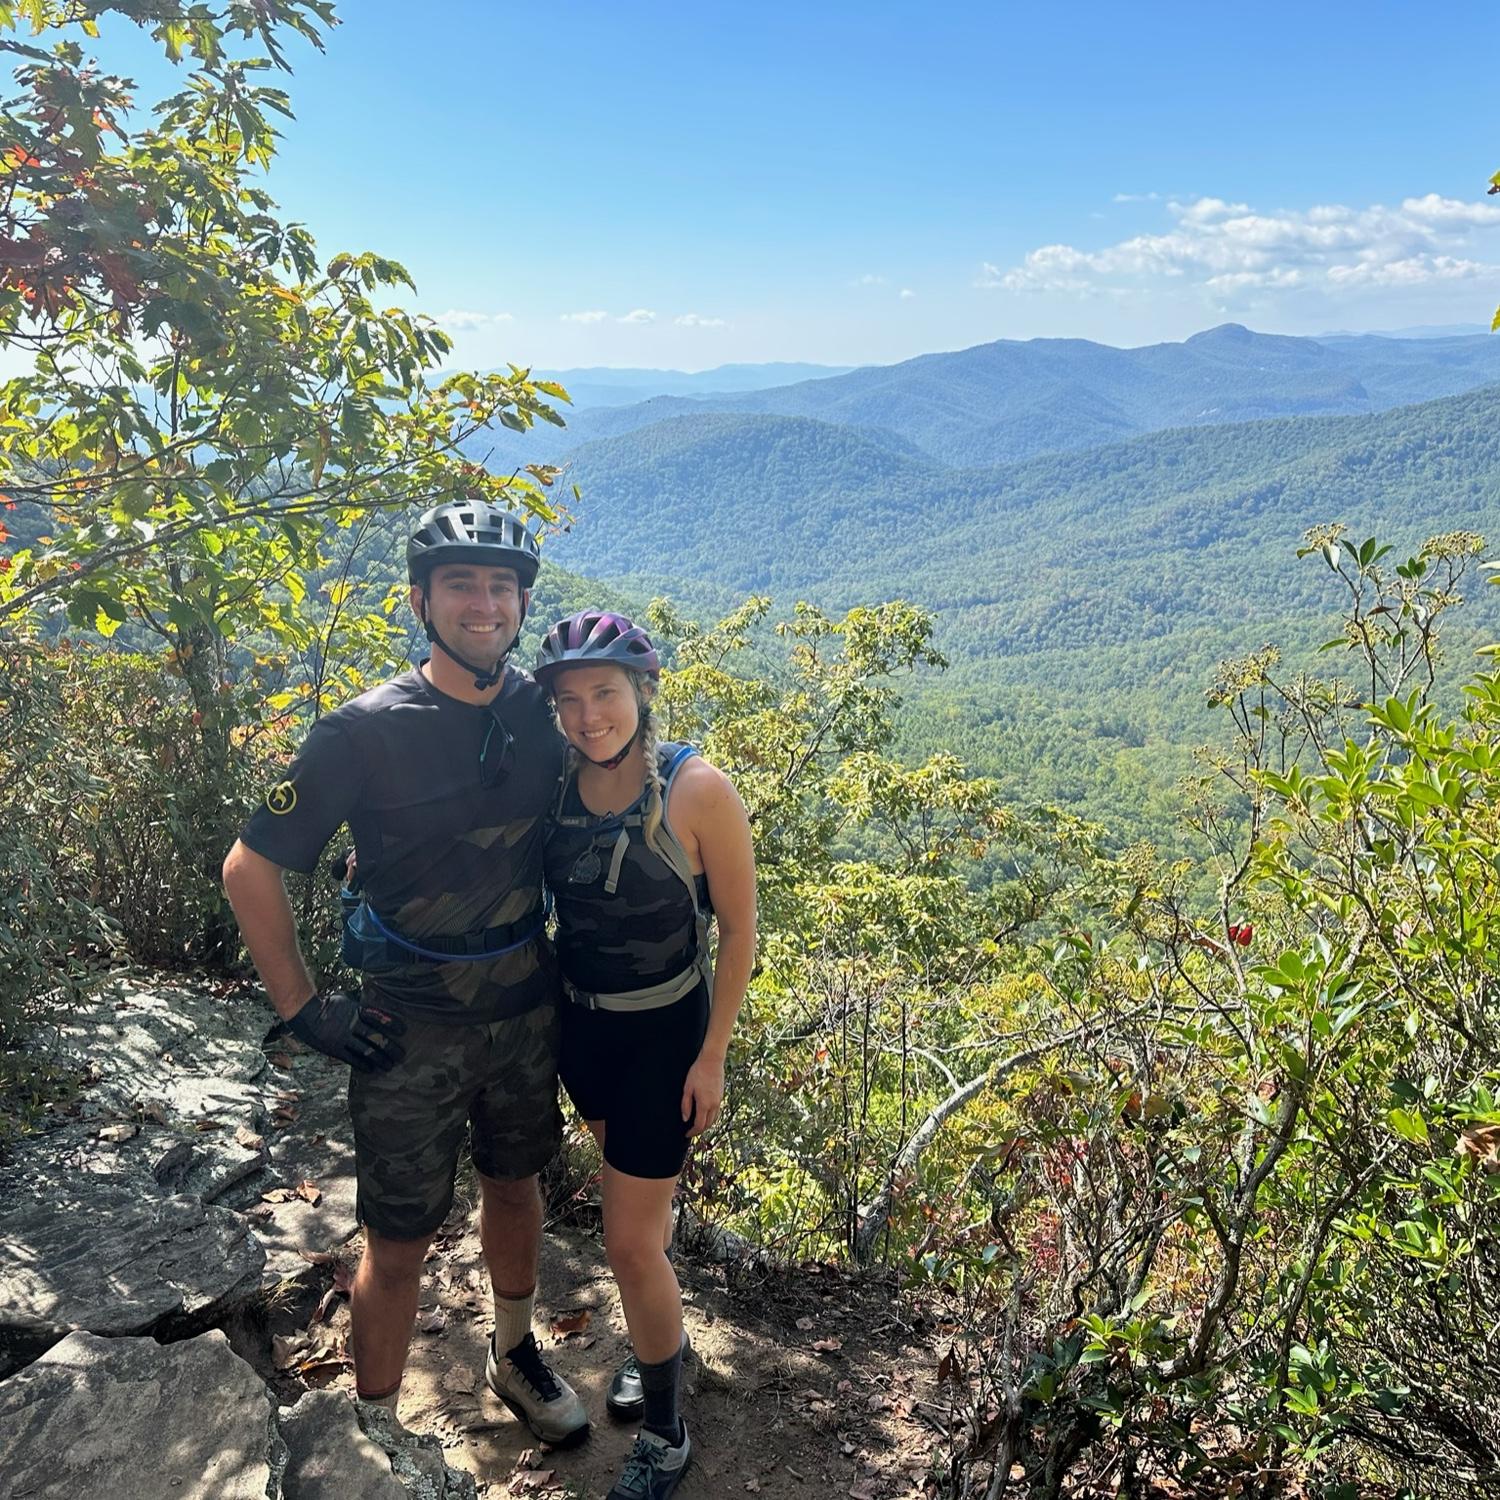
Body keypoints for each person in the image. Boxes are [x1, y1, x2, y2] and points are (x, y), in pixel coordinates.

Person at [221, 499, 589, 1446]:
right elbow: (250, 866)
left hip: (521, 1010)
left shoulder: (543, 713)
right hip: (406, 1028)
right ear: (422, 601)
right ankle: (377, 1436)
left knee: (515, 1186)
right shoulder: (360, 732)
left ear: (520, 603)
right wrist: (304, 1009)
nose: (484, 603)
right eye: (461, 584)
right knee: (399, 1238)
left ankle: (512, 1355)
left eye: (500, 586)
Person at [534, 609, 757, 1500]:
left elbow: (737, 930)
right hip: (581, 1033)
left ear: (642, 693)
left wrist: (713, 1058)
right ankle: (669, 1347)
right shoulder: (551, 785)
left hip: (664, 1036)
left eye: (607, 694)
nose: (591, 717)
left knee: (628, 1244)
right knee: (640, 1225)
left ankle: (665, 1432)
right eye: (572, 700)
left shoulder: (694, 790)